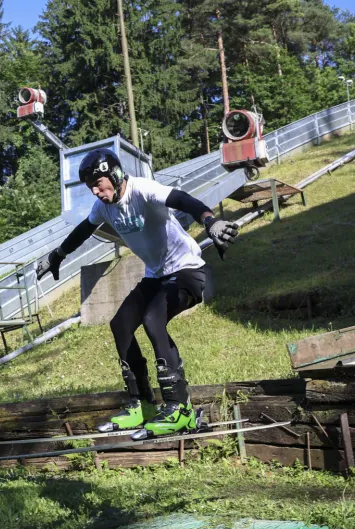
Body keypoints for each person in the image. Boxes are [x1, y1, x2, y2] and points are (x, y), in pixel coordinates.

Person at [36, 148, 239, 440]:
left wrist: (210, 221)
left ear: (115, 174)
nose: (95, 191)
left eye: (98, 183)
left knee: (152, 319)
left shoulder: (142, 190)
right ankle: (142, 404)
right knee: (120, 325)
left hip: (188, 271)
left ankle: (179, 408)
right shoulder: (104, 207)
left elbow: (181, 199)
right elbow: (83, 229)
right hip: (156, 276)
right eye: (91, 187)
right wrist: (58, 255)